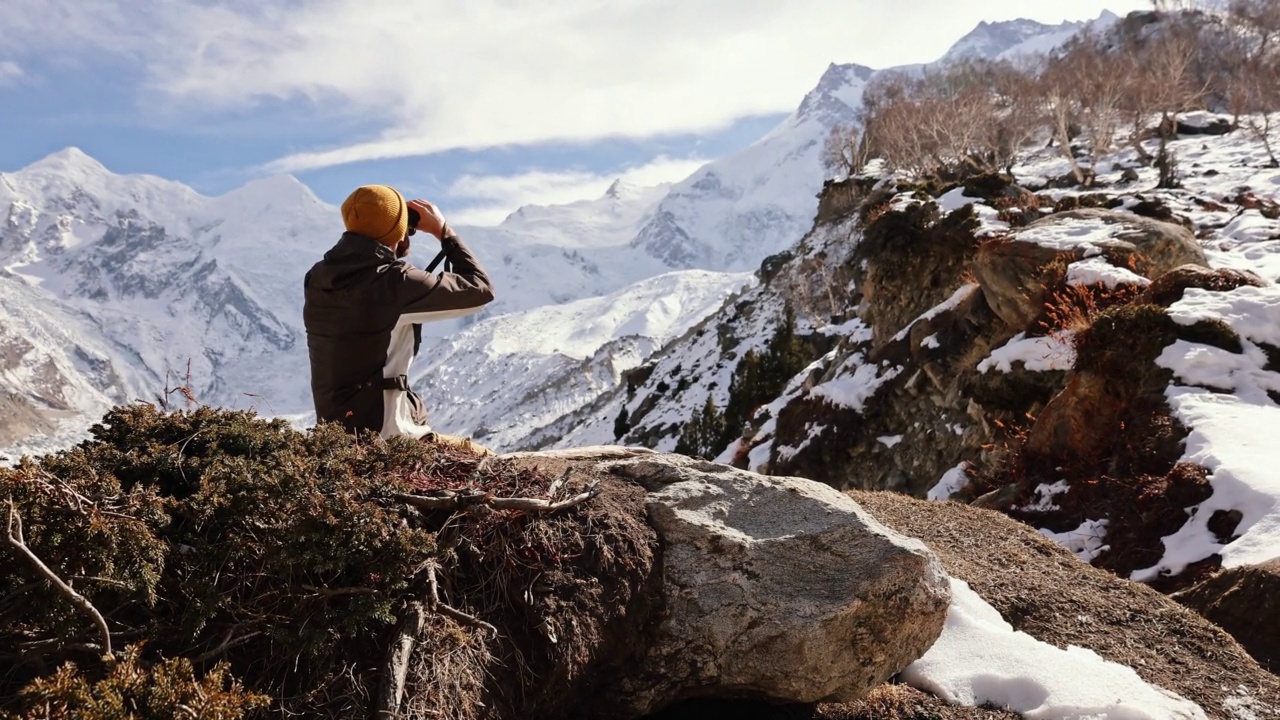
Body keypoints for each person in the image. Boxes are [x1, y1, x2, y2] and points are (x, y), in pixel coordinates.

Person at [303, 184, 494, 452]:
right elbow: (479, 290)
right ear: (397, 229)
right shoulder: (394, 282)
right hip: (385, 436)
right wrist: (444, 232)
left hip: (336, 436)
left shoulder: (318, 278)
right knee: (487, 457)